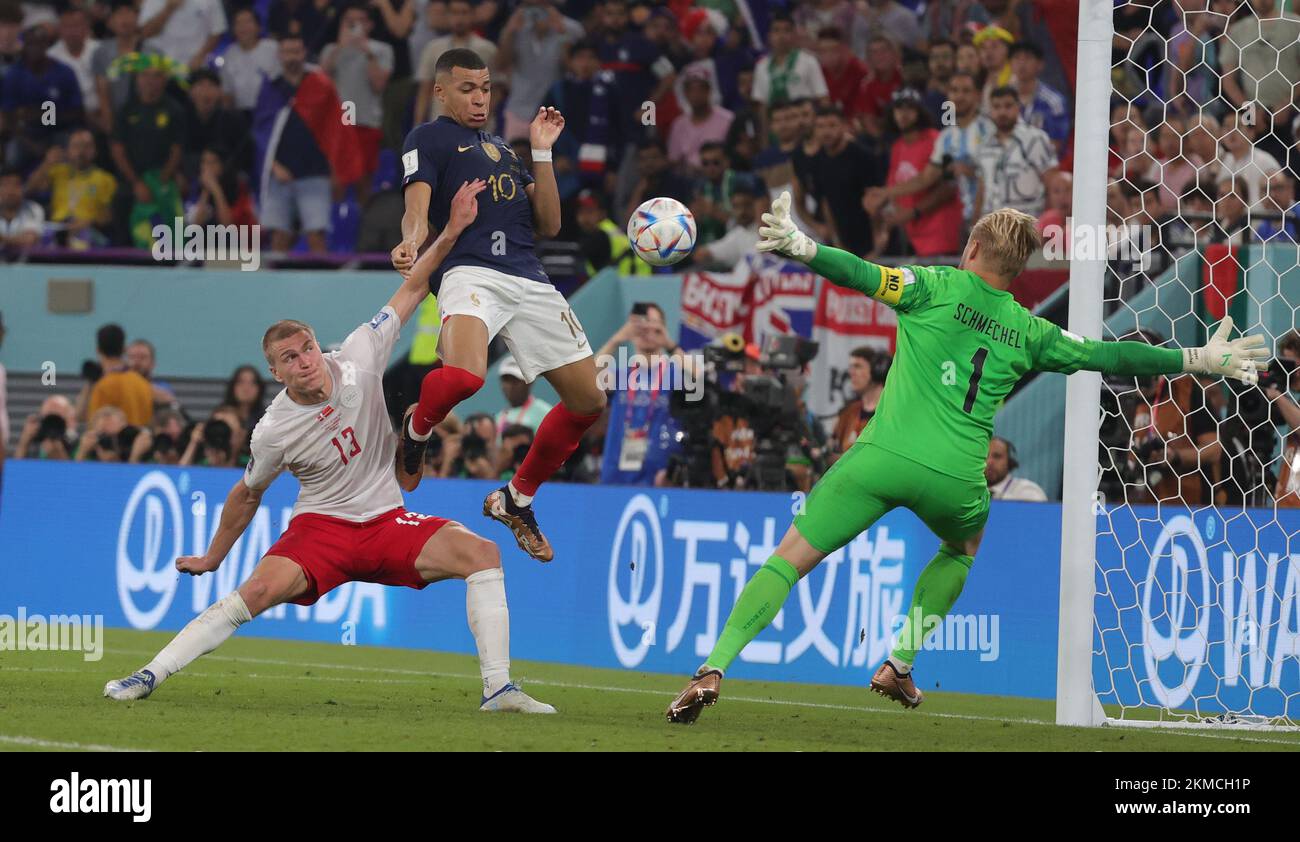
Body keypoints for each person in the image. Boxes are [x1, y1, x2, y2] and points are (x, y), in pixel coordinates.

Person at [664, 193, 1268, 723]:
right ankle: (901, 658)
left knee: (789, 561)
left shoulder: (933, 286)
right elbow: (1108, 356)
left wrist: (802, 246)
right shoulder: (1030, 330)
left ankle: (713, 667)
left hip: (881, 459)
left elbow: (859, 272)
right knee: (962, 548)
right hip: (956, 480)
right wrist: (1194, 360)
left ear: (974, 245)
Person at [105, 179, 555, 714]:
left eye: (307, 348)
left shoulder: (361, 355)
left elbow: (412, 289)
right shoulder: (273, 429)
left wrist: (453, 230)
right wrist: (213, 556)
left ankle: (498, 690)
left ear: (319, 345)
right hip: (320, 530)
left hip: (387, 522)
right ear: (275, 372)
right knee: (253, 596)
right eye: (290, 359)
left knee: (483, 552)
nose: (305, 360)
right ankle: (148, 675)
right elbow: (248, 494)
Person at [391, 48, 607, 563]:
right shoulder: (427, 138)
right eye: (468, 88)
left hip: (530, 277)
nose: (480, 98)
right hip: (469, 270)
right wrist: (411, 241)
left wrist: (541, 151)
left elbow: (551, 224)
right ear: (441, 90)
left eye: (486, 88)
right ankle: (417, 425)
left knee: (589, 403)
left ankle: (516, 499)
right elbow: (415, 208)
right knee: (466, 377)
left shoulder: (505, 151)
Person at [985, 436, 1047, 500]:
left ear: (1010, 461)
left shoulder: (1029, 492)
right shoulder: (974, 492)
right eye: (984, 456)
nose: (989, 462)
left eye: (997, 456)